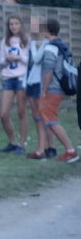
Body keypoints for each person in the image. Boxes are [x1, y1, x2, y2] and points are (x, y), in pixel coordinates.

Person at [35, 18, 79, 163]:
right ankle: (69, 150)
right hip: (59, 88)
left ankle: (71, 151)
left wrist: (44, 90)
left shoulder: (50, 47)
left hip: (52, 89)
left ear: (46, 30)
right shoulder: (61, 45)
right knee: (49, 118)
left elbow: (48, 71)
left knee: (51, 121)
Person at [25, 16, 57, 159]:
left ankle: (43, 149)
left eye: (36, 25)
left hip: (39, 82)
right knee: (38, 117)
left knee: (42, 117)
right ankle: (48, 148)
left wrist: (32, 44)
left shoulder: (46, 43)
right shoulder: (32, 42)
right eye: (32, 25)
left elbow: (37, 59)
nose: (34, 28)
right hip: (32, 81)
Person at [0, 15, 30, 154]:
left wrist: (19, 57)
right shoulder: (5, 41)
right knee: (3, 114)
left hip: (22, 78)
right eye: (11, 24)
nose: (13, 26)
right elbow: (0, 63)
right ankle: (12, 142)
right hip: (8, 79)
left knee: (22, 112)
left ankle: (22, 144)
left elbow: (30, 60)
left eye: (16, 23)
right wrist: (7, 59)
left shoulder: (26, 40)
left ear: (21, 25)